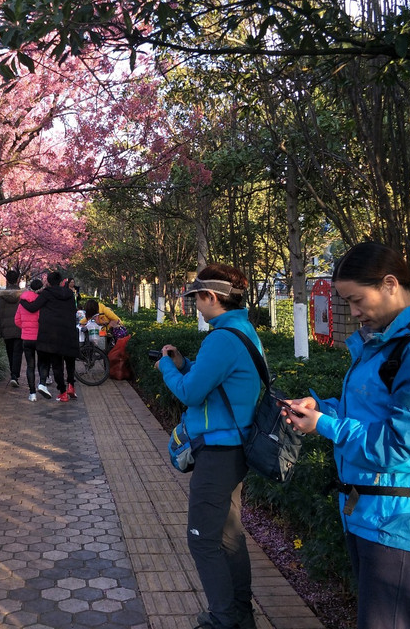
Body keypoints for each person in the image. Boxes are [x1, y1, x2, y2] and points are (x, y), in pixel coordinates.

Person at [283, 242, 410, 629]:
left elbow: (399, 444)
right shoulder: (385, 342)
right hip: (372, 510)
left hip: (404, 517)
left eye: (356, 300)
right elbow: (369, 412)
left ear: (389, 284)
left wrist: (323, 424)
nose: (353, 313)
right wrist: (321, 409)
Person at [155, 264, 261, 629]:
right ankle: (240, 615)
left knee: (203, 541)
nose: (195, 306)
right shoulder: (240, 330)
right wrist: (183, 363)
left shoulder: (223, 337)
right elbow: (213, 379)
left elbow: (191, 392)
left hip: (219, 452)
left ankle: (221, 620)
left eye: (197, 299)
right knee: (229, 537)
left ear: (211, 297)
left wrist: (166, 369)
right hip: (232, 449)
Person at [19, 271, 80, 402]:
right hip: (69, 331)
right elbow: (74, 310)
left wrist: (22, 301)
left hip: (53, 334)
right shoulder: (70, 293)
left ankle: (63, 392)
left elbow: (33, 307)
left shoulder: (47, 294)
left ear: (48, 282)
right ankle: (71, 386)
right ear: (61, 281)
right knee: (70, 361)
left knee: (57, 364)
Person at [15, 278, 44, 401]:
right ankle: (42, 384)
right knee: (42, 364)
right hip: (39, 338)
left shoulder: (22, 302)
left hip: (26, 338)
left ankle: (32, 394)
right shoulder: (41, 302)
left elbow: (17, 320)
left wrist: (25, 328)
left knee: (30, 366)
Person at [0, 269, 24, 388]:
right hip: (19, 328)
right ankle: (14, 376)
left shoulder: (1, 296)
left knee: (10, 352)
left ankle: (13, 374)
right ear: (18, 280)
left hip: (6, 328)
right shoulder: (22, 295)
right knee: (18, 352)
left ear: (7, 280)